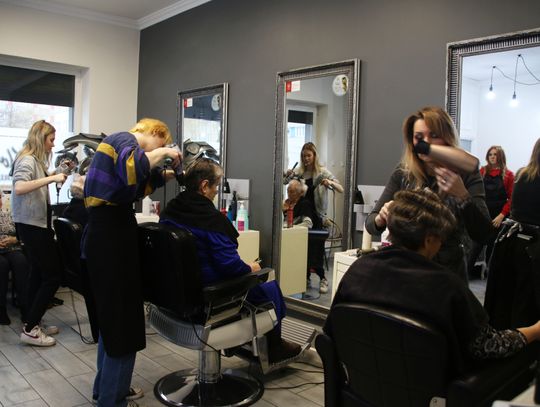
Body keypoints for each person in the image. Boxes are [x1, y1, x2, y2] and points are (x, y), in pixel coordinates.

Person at [326, 189, 540, 376]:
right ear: (429, 240)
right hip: (430, 395)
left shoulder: (359, 270)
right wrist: (534, 330)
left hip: (365, 386)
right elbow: (489, 346)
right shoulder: (447, 288)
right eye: (441, 238)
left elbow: (331, 334)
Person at [160, 158, 302, 363]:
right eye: (216, 185)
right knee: (268, 284)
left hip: (176, 293)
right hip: (208, 294)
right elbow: (230, 266)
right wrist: (250, 267)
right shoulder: (209, 219)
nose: (217, 191)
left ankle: (247, 343)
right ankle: (275, 346)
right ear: (204, 186)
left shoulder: (171, 210)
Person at [83, 118, 181, 407]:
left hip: (106, 238)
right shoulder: (123, 140)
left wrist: (168, 174)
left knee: (112, 322)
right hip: (111, 240)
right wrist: (166, 152)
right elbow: (134, 168)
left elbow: (136, 184)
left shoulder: (118, 148)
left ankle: (105, 390)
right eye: (159, 143)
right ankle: (112, 400)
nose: (157, 150)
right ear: (153, 133)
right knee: (124, 324)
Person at [365, 106, 492, 281]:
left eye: (434, 135)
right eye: (419, 137)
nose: (426, 143)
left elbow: (484, 234)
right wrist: (380, 218)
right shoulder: (403, 174)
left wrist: (462, 196)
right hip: (405, 271)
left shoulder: (466, 175)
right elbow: (370, 224)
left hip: (447, 276)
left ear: (447, 138)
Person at [11, 120, 67, 346]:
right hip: (32, 225)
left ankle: (31, 321)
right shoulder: (26, 159)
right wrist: (52, 178)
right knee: (52, 276)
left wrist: (56, 172)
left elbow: (34, 182)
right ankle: (30, 329)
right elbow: (20, 187)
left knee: (37, 272)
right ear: (40, 138)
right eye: (51, 140)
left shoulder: (34, 160)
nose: (53, 144)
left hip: (36, 224)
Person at [484, 138, 540, 330]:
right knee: (527, 301)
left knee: (508, 295)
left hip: (512, 241)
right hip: (533, 247)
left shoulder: (520, 174)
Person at [284, 142, 343, 292]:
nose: (306, 158)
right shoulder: (299, 172)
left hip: (316, 216)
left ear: (314, 156)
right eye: (303, 156)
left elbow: (340, 188)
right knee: (302, 248)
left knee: (316, 248)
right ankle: (305, 277)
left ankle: (323, 279)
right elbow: (284, 182)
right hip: (302, 213)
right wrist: (287, 174)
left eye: (309, 155)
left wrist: (329, 182)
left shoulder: (322, 172)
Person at [467, 146, 514, 278]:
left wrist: (502, 215)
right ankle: (464, 276)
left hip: (498, 217)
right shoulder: (482, 172)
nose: (492, 157)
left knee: (493, 248)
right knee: (475, 247)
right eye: (490, 154)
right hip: (482, 214)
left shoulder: (509, 175)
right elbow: (474, 193)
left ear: (501, 156)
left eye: (495, 154)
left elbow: (512, 199)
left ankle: (490, 278)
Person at [0, 190, 30, 325]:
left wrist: (14, 239)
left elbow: (21, 233)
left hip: (12, 248)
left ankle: (25, 307)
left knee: (21, 262)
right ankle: (1, 309)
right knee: (2, 265)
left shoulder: (9, 214)